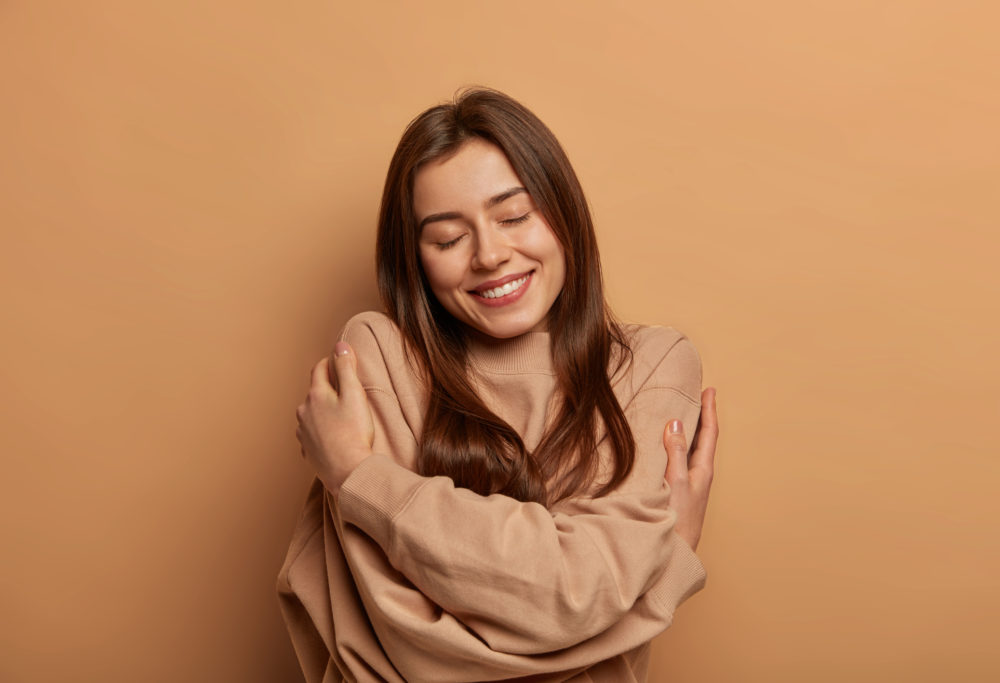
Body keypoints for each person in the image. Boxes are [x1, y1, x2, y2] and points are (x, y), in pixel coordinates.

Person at [278, 87, 719, 683]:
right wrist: (660, 571)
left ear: (563, 212)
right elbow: (407, 641)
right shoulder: (378, 355)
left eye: (514, 217)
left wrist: (361, 478)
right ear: (413, 258)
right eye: (448, 238)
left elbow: (571, 594)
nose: (489, 255)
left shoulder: (653, 366)